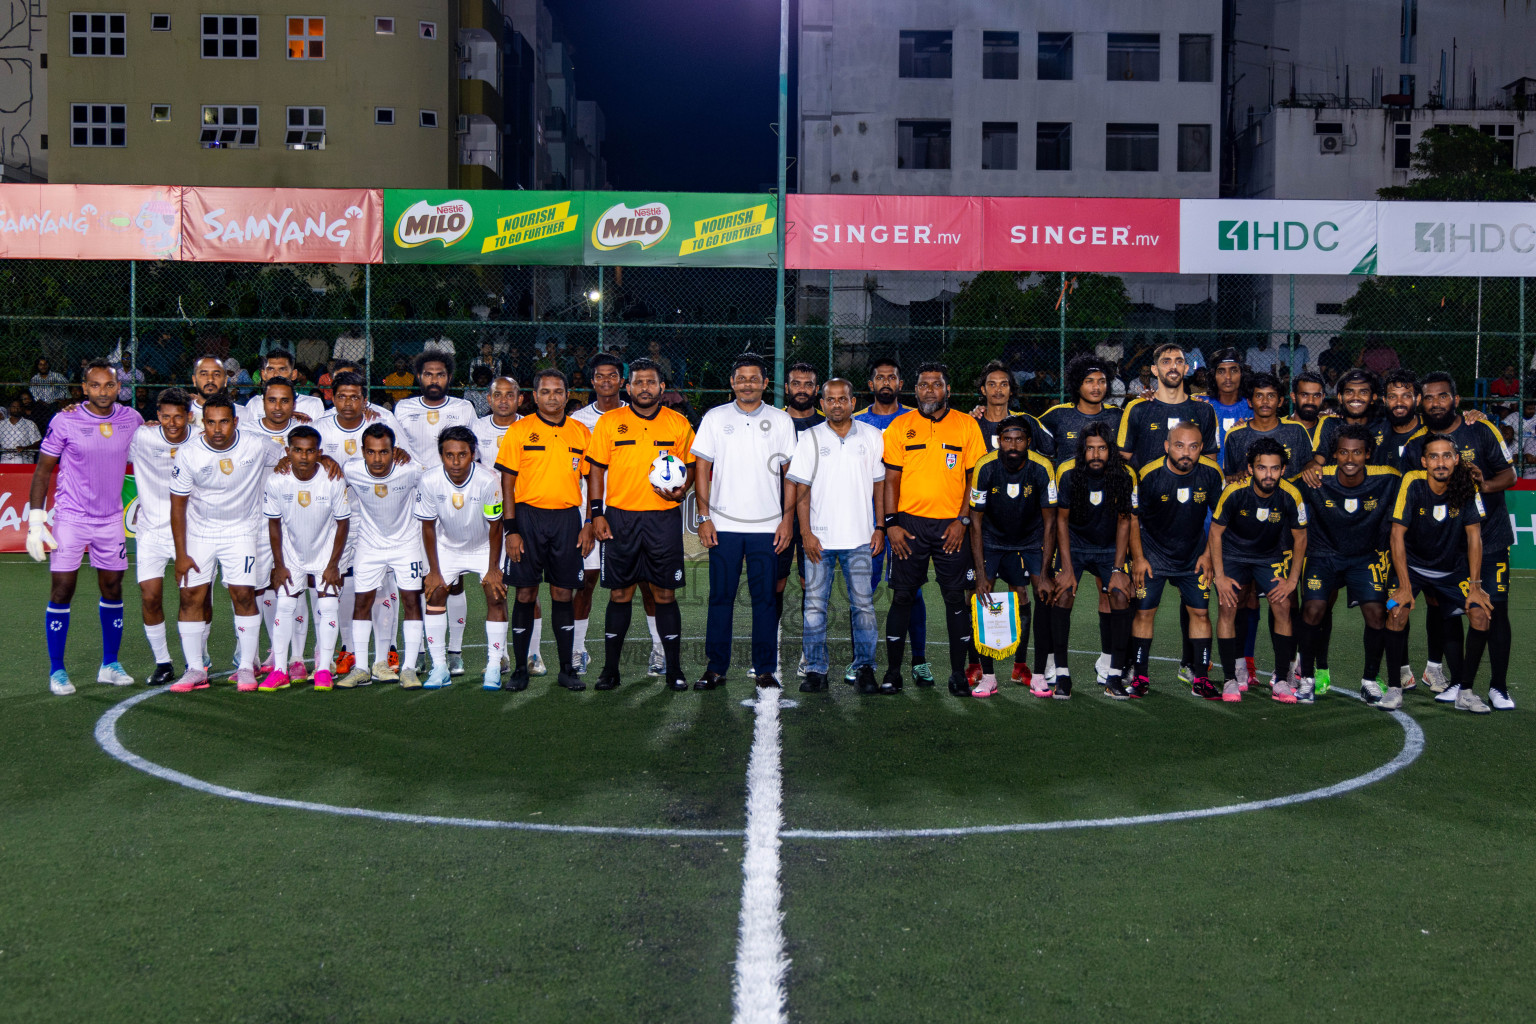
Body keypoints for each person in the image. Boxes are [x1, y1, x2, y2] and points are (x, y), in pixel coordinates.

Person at [27, 360, 144, 694]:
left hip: (110, 520)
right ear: (83, 388)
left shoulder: (130, 419)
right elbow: (42, 472)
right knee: (62, 589)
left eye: (109, 385)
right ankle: (58, 671)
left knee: (113, 588)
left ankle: (109, 664)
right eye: (95, 385)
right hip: (71, 518)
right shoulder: (65, 420)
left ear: (118, 386)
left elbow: (158, 437)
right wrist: (37, 521)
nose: (102, 392)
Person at [1401, 373, 1516, 710]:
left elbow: (1508, 475)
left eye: (1442, 396)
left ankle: (1499, 687)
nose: (1435, 403)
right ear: (1422, 402)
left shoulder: (1480, 429)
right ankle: (1457, 682)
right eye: (1429, 397)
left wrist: (1485, 486)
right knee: (1449, 612)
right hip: (1449, 546)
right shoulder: (1419, 445)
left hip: (1490, 537)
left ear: (1455, 399)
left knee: (1494, 609)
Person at [584, 358, 695, 691]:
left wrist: (682, 490)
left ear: (662, 387)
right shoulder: (609, 423)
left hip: (662, 518)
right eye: (638, 382)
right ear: (627, 387)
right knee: (620, 594)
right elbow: (596, 471)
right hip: (620, 517)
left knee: (664, 594)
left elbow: (691, 467)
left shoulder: (678, 424)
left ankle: (673, 668)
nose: (644, 388)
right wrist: (596, 513)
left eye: (651, 382)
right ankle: (610, 670)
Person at [879, 363, 987, 696]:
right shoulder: (900, 426)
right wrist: (891, 524)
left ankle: (957, 674)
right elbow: (891, 479)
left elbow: (975, 480)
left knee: (956, 598)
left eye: (936, 385)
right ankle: (894, 672)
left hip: (952, 526)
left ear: (948, 390)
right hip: (908, 525)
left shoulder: (967, 426)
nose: (929, 390)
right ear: (915, 389)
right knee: (902, 596)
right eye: (923, 385)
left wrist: (963, 520)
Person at [166, 395, 285, 692]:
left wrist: (323, 461)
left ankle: (246, 666)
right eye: (210, 422)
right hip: (199, 534)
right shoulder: (189, 453)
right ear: (202, 423)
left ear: (235, 421)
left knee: (244, 595)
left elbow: (289, 458)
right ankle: (195, 669)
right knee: (191, 597)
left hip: (241, 533)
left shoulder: (256, 444)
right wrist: (181, 555)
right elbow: (177, 506)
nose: (217, 429)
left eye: (223, 422)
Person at [692, 354, 796, 690]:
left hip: (767, 529)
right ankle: (716, 668)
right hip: (724, 527)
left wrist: (786, 521)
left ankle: (764, 668)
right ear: (732, 382)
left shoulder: (781, 422)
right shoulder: (714, 417)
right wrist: (705, 517)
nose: (747, 383)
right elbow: (702, 470)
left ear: (766, 383)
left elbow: (789, 476)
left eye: (754, 378)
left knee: (765, 599)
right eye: (741, 378)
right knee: (720, 597)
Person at [1381, 435, 1494, 713]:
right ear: (1424, 461)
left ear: (1456, 459)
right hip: (1412, 566)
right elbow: (1396, 535)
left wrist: (1476, 585)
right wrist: (1404, 585)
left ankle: (1465, 690)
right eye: (1434, 456)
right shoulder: (1413, 482)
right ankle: (1395, 687)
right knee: (1396, 610)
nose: (1440, 462)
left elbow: (1474, 536)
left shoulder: (1466, 485)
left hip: (1449, 569)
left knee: (1480, 612)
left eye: (1446, 456)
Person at [787, 378, 885, 693]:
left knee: (864, 607)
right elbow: (801, 489)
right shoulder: (809, 438)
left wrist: (880, 526)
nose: (837, 404)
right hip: (819, 541)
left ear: (853, 402)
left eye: (843, 399)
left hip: (859, 539)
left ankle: (865, 668)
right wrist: (806, 533)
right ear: (822, 403)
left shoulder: (872, 437)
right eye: (830, 399)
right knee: (815, 606)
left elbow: (880, 485)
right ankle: (816, 670)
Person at [493, 372, 588, 692]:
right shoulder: (520, 431)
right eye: (545, 392)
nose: (552, 397)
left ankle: (566, 670)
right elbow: (507, 483)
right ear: (534, 396)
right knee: (525, 593)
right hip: (528, 519)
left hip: (566, 520)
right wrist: (511, 530)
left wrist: (589, 522)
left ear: (567, 394)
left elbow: (592, 480)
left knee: (563, 594)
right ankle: (520, 669)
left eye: (558, 392)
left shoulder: (579, 432)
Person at [1296, 424, 1400, 704]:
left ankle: (1369, 680)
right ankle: (1306, 678)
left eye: (1357, 452)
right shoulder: (1316, 478)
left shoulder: (1388, 478)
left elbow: (1418, 487)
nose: (1350, 459)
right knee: (1313, 609)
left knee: (1378, 613)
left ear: (1368, 454)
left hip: (1365, 558)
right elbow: (1284, 492)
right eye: (1343, 452)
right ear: (1334, 454)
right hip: (1322, 555)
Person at [1040, 355, 1127, 685]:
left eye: (1102, 381)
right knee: (1062, 586)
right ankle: (1052, 661)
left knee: (1108, 592)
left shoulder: (1119, 417)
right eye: (1090, 381)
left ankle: (1106, 660)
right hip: (1068, 519)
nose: (1096, 386)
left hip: (1106, 517)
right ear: (1077, 384)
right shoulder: (1057, 415)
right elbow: (1022, 432)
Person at [1126, 422, 1224, 697]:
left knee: (1201, 613)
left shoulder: (1212, 473)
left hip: (1194, 556)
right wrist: (1139, 559)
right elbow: (1133, 519)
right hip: (1153, 555)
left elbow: (1220, 519)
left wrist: (1208, 556)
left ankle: (1201, 678)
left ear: (1201, 448)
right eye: (1179, 446)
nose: (1186, 453)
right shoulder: (1149, 474)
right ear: (1167, 446)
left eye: (1193, 447)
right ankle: (1140, 676)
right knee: (1144, 612)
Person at [1208, 438, 1308, 703]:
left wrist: (1292, 581)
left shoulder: (1290, 494)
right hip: (1233, 555)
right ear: (1251, 469)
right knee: (1228, 605)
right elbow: (1215, 533)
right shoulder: (1234, 492)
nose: (1269, 474)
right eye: (1262, 468)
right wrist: (1220, 576)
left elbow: (1301, 538)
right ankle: (1231, 677)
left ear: (1283, 469)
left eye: (1275, 468)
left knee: (1284, 604)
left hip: (1268, 557)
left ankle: (1283, 681)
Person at [853, 358, 932, 684]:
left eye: (892, 377)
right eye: (880, 377)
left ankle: (919, 661)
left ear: (901, 384)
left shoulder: (919, 418)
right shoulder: (855, 421)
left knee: (910, 592)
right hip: (865, 519)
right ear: (870, 385)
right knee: (862, 592)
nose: (886, 382)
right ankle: (862, 662)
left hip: (906, 518)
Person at [414, 426, 510, 690]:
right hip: (448, 546)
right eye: (449, 455)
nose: (455, 462)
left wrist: (492, 569)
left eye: (462, 455)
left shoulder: (488, 479)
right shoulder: (430, 480)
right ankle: (440, 667)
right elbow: (428, 527)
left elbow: (496, 526)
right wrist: (434, 570)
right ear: (441, 455)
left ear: (473, 454)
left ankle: (493, 666)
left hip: (484, 546)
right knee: (434, 594)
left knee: (495, 593)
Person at [968, 418, 1058, 698]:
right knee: (981, 596)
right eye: (1007, 439)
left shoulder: (1042, 467)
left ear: (1028, 442)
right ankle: (988, 676)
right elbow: (975, 519)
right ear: (999, 441)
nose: (1013, 445)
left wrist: (1044, 573)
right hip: (993, 538)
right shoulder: (985, 466)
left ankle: (1040, 674)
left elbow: (1051, 521)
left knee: (1044, 595)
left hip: (1032, 538)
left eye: (1019, 439)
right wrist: (981, 575)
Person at [260, 426, 350, 692]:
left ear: (319, 453)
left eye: (310, 451)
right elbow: (274, 524)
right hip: (291, 554)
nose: (303, 456)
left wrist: (334, 565)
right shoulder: (277, 480)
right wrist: (279, 565)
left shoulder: (333, 480)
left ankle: (323, 670)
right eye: (297, 450)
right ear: (288, 452)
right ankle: (279, 670)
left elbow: (343, 524)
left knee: (329, 608)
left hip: (326, 553)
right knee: (285, 607)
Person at [339, 424, 428, 689]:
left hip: (406, 543)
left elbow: (435, 482)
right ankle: (362, 668)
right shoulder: (351, 470)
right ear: (362, 452)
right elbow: (323, 474)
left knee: (412, 599)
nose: (378, 459)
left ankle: (409, 668)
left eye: (384, 452)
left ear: (394, 450)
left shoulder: (410, 470)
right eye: (371, 452)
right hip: (369, 544)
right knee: (362, 602)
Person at [1052, 423, 1137, 698]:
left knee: (1121, 596)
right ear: (1082, 450)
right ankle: (1062, 675)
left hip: (1108, 546)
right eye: (1090, 448)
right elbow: (1061, 521)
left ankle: (1114, 676)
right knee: (1062, 594)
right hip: (1074, 545)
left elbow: (1125, 521)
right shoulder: (1067, 473)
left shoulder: (1124, 476)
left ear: (1110, 450)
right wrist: (1066, 569)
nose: (1096, 454)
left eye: (1102, 448)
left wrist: (1118, 568)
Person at [570, 353, 637, 675]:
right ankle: (577, 649)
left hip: (631, 508)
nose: (607, 381)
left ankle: (657, 650)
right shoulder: (578, 420)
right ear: (592, 381)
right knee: (586, 581)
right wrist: (586, 517)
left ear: (622, 381)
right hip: (591, 511)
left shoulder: (636, 413)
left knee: (646, 584)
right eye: (600, 376)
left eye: (613, 376)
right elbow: (578, 472)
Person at [128, 388, 193, 685]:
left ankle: (197, 660)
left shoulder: (203, 439)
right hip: (151, 532)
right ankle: (163, 662)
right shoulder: (143, 437)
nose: (172, 422)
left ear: (189, 416)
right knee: (150, 596)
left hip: (191, 533)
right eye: (165, 416)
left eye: (178, 416)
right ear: (157, 416)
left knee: (192, 598)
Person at [779, 361, 824, 677]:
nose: (802, 390)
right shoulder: (773, 422)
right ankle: (771, 649)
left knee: (812, 586)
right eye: (796, 383)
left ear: (816, 389)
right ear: (786, 388)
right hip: (778, 519)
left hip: (818, 518)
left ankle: (810, 654)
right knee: (775, 584)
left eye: (808, 384)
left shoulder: (827, 424)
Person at [1117, 343, 1218, 471]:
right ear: (1154, 370)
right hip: (1147, 488)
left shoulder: (1204, 410)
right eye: (1166, 362)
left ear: (1186, 368)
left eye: (1179, 362)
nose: (1173, 367)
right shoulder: (1137, 408)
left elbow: (1210, 460)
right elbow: (1123, 458)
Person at [393, 352, 478, 471]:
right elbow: (396, 448)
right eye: (428, 375)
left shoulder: (464, 407)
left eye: (440, 375)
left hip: (451, 479)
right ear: (419, 377)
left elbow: (475, 451)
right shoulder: (403, 407)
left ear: (449, 377)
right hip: (414, 479)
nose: (434, 380)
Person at [1223, 373, 1315, 482]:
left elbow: (1310, 462)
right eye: (1259, 396)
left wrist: (1311, 467)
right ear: (1250, 402)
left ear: (1280, 401)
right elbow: (1229, 475)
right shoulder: (1235, 435)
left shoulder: (1296, 430)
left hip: (1291, 496)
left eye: (1271, 395)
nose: (1265, 401)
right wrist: (1236, 476)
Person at [970, 359, 1054, 458]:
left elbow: (1050, 451)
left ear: (1011, 390)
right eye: (992, 384)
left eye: (1004, 384)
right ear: (983, 390)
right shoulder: (971, 423)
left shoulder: (1026, 421)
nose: (998, 389)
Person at [1197, 349, 1251, 464]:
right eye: (1221, 371)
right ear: (1213, 375)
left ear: (1241, 373)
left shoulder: (1252, 407)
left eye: (1233, 370)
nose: (1228, 377)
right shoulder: (1201, 404)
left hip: (1242, 478)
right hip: (1208, 476)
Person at [242, 349, 325, 424]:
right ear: (263, 375)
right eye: (270, 369)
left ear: (294, 374)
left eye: (282, 369)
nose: (276, 374)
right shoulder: (255, 403)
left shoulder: (313, 404)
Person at [186, 354, 236, 428]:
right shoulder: (181, 413)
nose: (210, 379)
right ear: (194, 380)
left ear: (225, 381)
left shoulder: (243, 413)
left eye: (216, 374)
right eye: (204, 374)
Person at [0, 397, 42, 462]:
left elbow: (38, 442)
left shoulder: (30, 424)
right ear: (9, 409)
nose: (16, 409)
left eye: (18, 407)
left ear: (22, 409)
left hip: (24, 460)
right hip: (5, 461)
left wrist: (25, 448)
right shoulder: (1, 424)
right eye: (13, 406)